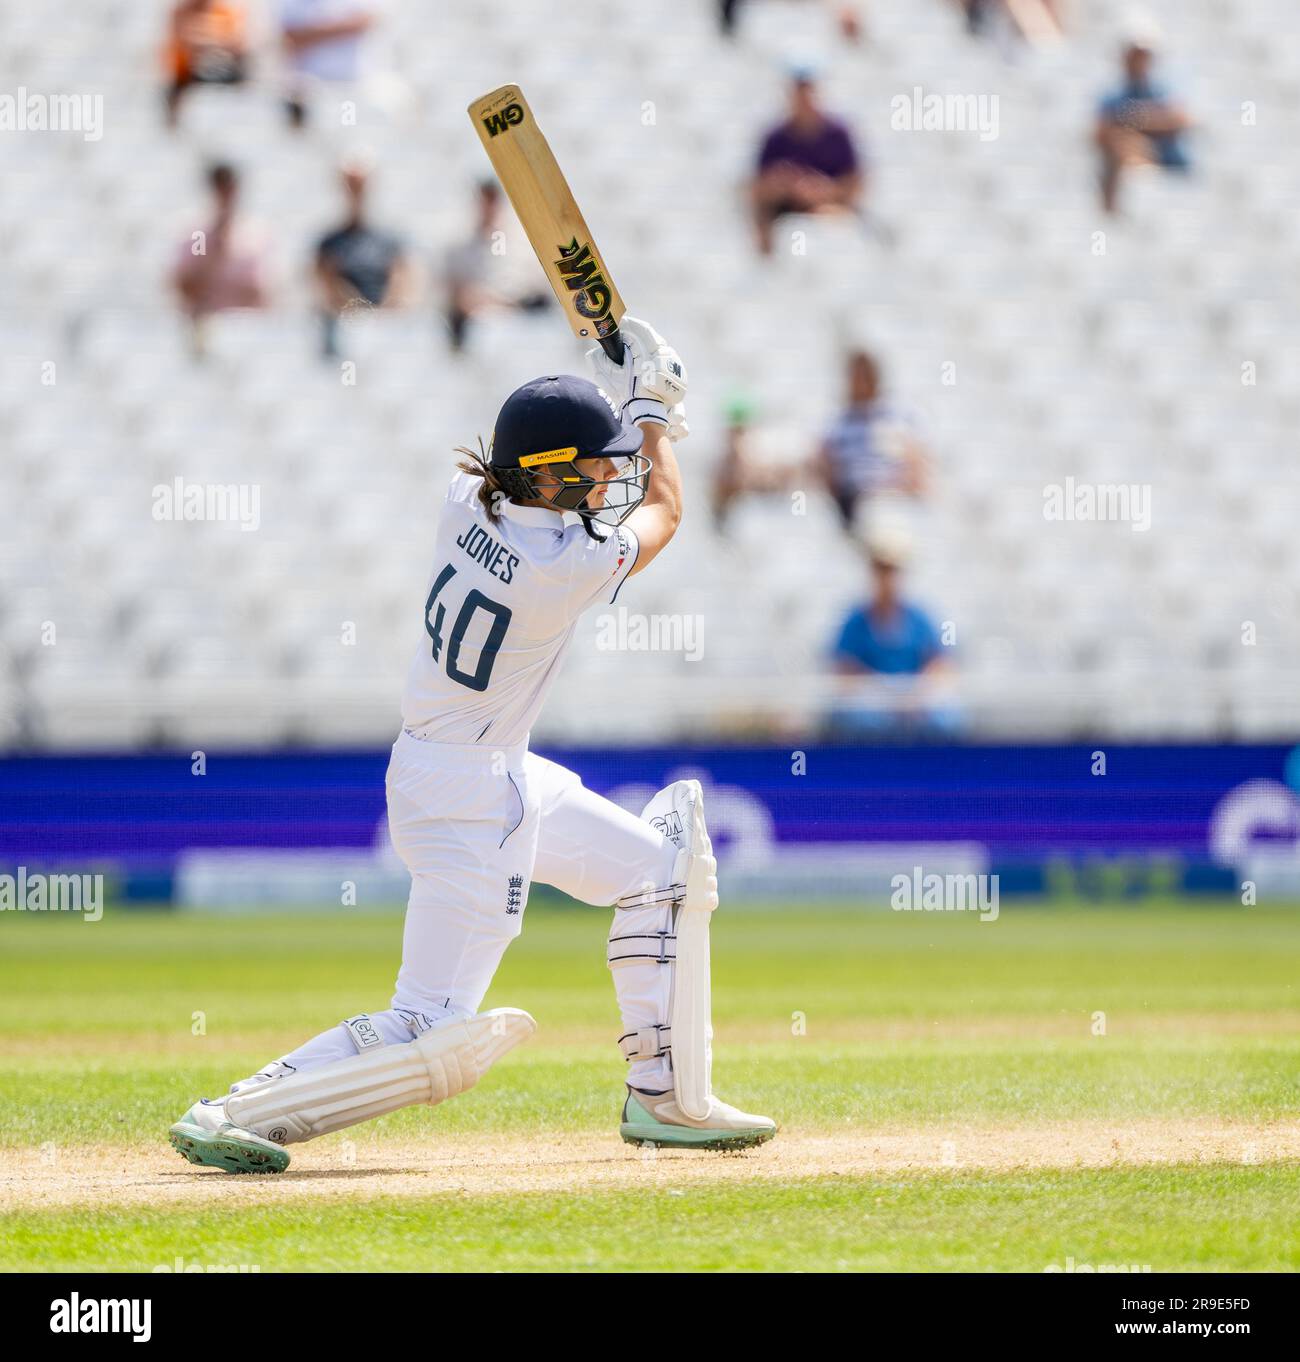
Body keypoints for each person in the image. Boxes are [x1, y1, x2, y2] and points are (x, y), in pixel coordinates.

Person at [167, 318, 776, 1173]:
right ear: (547, 473)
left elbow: (553, 448)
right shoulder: (557, 569)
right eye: (594, 466)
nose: (610, 477)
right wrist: (655, 413)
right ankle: (236, 1110)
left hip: (472, 766)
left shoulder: (469, 498)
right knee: (432, 1024)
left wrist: (617, 399)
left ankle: (664, 1099)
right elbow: (669, 508)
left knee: (659, 872)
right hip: (469, 794)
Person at [827, 520, 957, 737]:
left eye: (892, 571)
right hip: (871, 703)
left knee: (946, 718)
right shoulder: (855, 621)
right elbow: (844, 671)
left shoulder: (920, 618)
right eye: (881, 571)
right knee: (860, 721)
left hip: (914, 700)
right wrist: (882, 696)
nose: (887, 579)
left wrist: (917, 696)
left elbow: (939, 664)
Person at [751, 67, 864, 256]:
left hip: (826, 209)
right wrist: (783, 186)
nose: (804, 100)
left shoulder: (837, 135)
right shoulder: (775, 137)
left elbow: (855, 184)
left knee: (836, 220)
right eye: (798, 93)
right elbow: (757, 190)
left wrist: (822, 191)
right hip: (783, 212)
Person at [814, 350, 929, 532]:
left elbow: (916, 462)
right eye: (856, 377)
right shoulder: (837, 423)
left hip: (893, 499)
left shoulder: (897, 418)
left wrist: (903, 489)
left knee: (885, 520)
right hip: (854, 501)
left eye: (865, 376)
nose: (860, 383)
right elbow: (825, 464)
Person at [314, 158, 411, 356]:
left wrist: (380, 317)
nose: (356, 192)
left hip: (386, 329)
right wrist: (360, 314)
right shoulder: (328, 243)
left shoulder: (390, 241)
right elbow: (326, 287)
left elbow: (401, 283)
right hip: (344, 329)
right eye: (351, 184)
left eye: (360, 185)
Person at [442, 180, 551, 353]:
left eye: (492, 201)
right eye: (484, 201)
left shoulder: (524, 243)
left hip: (520, 321)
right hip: (475, 325)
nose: (488, 208)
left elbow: (538, 290)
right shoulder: (457, 246)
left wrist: (504, 303)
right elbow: (453, 292)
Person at [1094, 21, 1191, 214]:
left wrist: (1130, 119)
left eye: (1144, 56)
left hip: (1172, 164)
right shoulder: (1113, 95)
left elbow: (1182, 119)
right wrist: (1153, 120)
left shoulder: (1164, 89)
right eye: (1135, 55)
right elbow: (1103, 129)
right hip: (1137, 169)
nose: (1140, 61)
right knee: (1123, 143)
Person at [171, 162, 271, 347]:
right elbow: (187, 286)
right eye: (220, 187)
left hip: (246, 329)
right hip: (204, 330)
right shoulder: (198, 234)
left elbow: (261, 293)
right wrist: (214, 252)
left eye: (229, 187)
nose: (225, 195)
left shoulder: (254, 232)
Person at [279, 0, 378, 127]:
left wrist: (312, 31)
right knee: (307, 141)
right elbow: (289, 37)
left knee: (348, 130)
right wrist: (341, 26)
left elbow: (366, 21)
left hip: (348, 89)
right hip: (307, 92)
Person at [163, 0, 249, 129]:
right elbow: (181, 38)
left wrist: (205, 38)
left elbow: (236, 42)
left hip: (223, 69)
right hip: (186, 74)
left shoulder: (225, 11)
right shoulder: (181, 11)